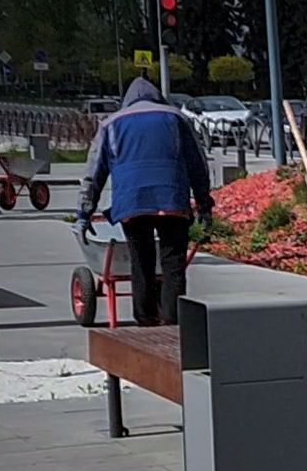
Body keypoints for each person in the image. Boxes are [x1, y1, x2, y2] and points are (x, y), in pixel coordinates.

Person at [75, 78, 213, 327]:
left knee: (141, 261)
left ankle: (145, 320)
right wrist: (204, 204)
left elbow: (94, 173)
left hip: (132, 203)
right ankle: (173, 323)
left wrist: (85, 213)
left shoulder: (111, 123)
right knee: (173, 265)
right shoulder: (177, 118)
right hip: (172, 200)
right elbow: (197, 164)